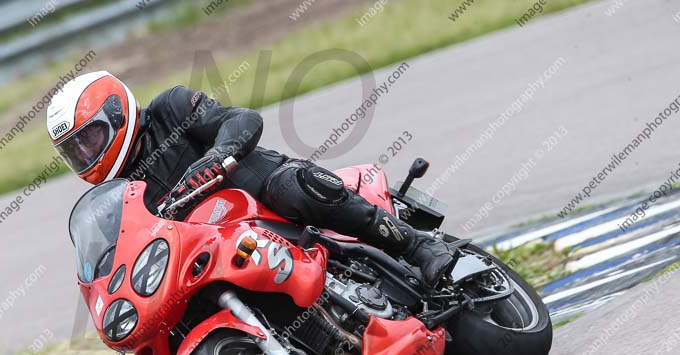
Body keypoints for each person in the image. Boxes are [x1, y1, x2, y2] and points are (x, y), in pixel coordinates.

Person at [46, 71, 455, 284]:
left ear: (116, 112)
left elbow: (240, 119)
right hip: (217, 249)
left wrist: (219, 155)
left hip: (255, 191)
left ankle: (418, 247)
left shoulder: (170, 107)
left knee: (294, 190)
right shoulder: (118, 195)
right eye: (74, 151)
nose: (85, 154)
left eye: (90, 138)